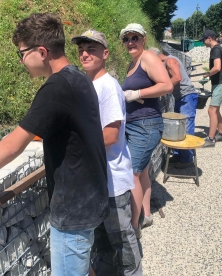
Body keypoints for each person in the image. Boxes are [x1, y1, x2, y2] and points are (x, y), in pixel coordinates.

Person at [0, 13, 109, 276]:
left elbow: (14, 143)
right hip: (89, 196)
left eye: (22, 53)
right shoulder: (79, 78)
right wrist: (45, 132)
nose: (21, 60)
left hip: (73, 209)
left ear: (41, 51)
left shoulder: (57, 86)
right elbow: (73, 125)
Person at [71, 29, 142, 276]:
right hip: (98, 180)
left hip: (112, 180)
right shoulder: (89, 84)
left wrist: (74, 147)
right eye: (81, 49)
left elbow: (111, 135)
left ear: (105, 53)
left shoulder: (107, 86)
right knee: (103, 240)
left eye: (91, 49)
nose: (85, 53)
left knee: (121, 240)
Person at [119, 23, 173, 235]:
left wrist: (136, 94)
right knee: (142, 174)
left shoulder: (148, 57)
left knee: (132, 174)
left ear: (143, 39)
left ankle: (134, 226)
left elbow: (166, 85)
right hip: (134, 125)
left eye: (135, 37)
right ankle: (147, 215)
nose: (130, 42)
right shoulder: (132, 64)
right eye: (126, 39)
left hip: (146, 125)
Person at [150, 47, 199, 168]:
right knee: (178, 128)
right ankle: (178, 154)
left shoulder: (170, 60)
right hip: (180, 98)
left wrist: (162, 89)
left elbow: (177, 78)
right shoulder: (167, 63)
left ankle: (187, 159)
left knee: (186, 127)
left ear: (156, 57)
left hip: (187, 96)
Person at [201, 29, 222, 147]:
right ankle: (221, 134)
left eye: (203, 39)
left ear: (209, 38)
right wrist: (209, 77)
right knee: (216, 110)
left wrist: (207, 74)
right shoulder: (219, 48)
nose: (203, 42)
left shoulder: (215, 50)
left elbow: (217, 67)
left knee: (211, 110)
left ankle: (211, 138)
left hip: (221, 83)